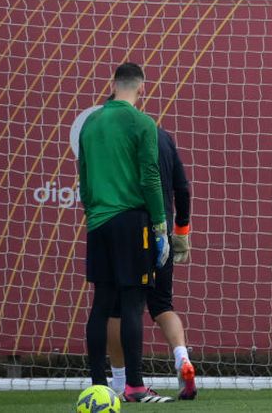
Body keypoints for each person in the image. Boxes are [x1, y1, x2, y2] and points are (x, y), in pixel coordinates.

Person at [77, 62, 172, 404]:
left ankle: (97, 386)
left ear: (112, 84)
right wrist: (160, 226)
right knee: (133, 302)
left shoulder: (90, 122)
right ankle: (134, 387)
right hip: (133, 222)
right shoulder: (141, 122)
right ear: (142, 87)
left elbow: (84, 179)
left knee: (101, 304)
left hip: (99, 222)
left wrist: (94, 213)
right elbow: (150, 176)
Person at [107, 125, 197, 401]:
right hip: (163, 234)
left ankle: (122, 381)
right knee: (163, 305)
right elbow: (182, 188)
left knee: (117, 308)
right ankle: (182, 358)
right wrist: (181, 230)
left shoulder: (114, 133)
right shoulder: (163, 136)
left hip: (128, 229)